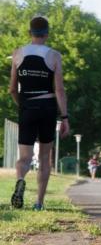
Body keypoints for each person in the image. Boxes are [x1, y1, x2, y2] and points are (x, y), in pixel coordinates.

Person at [8, 16, 69, 210]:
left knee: (24, 158)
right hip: (47, 108)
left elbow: (12, 89)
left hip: (27, 107)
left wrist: (23, 105)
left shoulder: (17, 54)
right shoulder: (54, 55)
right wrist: (65, 117)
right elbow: (59, 90)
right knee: (44, 157)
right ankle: (38, 203)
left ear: (30, 33)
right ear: (47, 34)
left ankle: (20, 179)